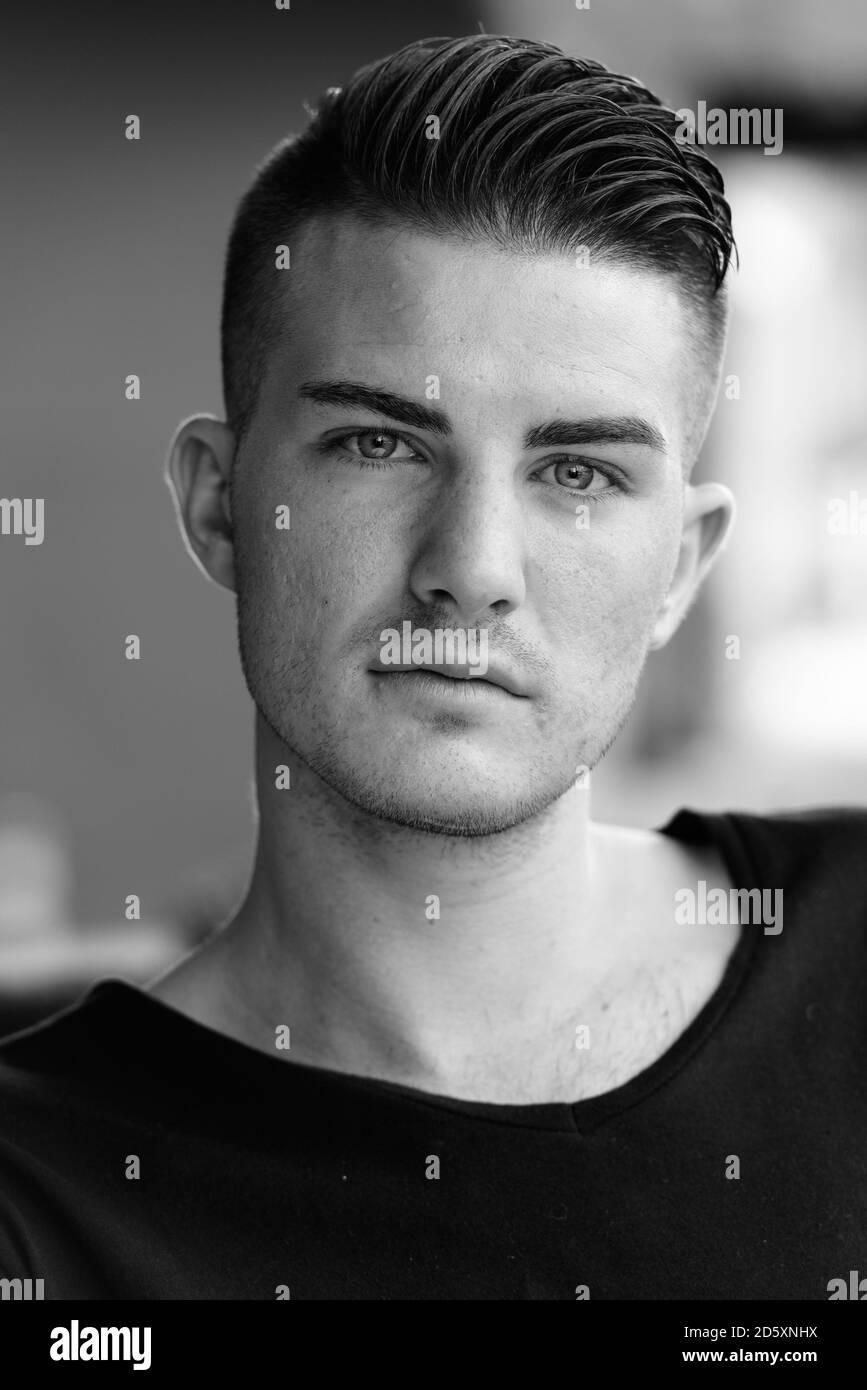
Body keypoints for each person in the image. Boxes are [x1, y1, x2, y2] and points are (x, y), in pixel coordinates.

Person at [1, 33, 864, 1303]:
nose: (473, 568)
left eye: (579, 472)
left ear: (681, 569)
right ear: (220, 507)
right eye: (379, 444)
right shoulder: (40, 1205)